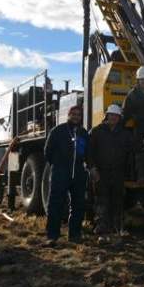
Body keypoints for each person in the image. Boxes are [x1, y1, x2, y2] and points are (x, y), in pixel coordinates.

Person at [44, 105, 89, 246]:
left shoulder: (83, 133)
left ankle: (74, 235)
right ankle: (52, 236)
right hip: (61, 171)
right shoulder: (58, 131)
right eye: (73, 114)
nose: (76, 116)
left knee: (78, 204)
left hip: (79, 172)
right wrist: (57, 165)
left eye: (78, 114)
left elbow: (88, 152)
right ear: (68, 115)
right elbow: (48, 151)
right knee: (56, 203)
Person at [89, 104, 133, 234]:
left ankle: (118, 227)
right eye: (111, 115)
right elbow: (90, 152)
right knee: (101, 199)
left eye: (116, 116)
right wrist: (92, 168)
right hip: (101, 172)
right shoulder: (97, 131)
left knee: (118, 200)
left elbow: (131, 153)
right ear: (107, 116)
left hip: (118, 172)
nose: (113, 118)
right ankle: (101, 227)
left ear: (119, 118)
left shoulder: (125, 134)